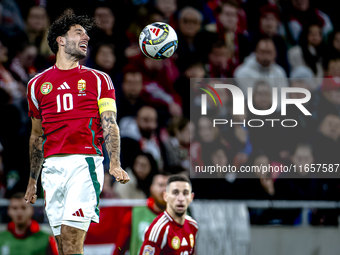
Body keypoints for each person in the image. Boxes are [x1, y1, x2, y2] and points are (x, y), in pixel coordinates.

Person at [24, 12, 130, 255]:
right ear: (61, 40)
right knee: (62, 247)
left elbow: (109, 123)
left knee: (72, 243)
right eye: (79, 32)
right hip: (51, 170)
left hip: (84, 164)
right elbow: (36, 135)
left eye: (86, 33)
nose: (87, 36)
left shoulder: (100, 79)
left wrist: (114, 162)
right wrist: (32, 181)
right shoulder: (36, 85)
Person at [139, 174, 198, 255]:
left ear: (191, 197)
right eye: (175, 193)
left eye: (185, 193)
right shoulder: (159, 229)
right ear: (166, 196)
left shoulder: (193, 225)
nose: (181, 199)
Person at [113, 173, 169, 255]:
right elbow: (119, 247)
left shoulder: (184, 217)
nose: (165, 189)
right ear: (151, 188)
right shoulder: (134, 214)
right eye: (161, 185)